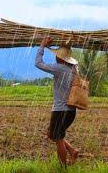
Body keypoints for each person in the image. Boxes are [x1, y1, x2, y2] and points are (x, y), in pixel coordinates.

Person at [35, 36, 79, 166]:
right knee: (51, 133)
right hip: (71, 111)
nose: (55, 57)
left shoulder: (59, 68)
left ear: (60, 58)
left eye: (57, 55)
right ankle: (72, 150)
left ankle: (63, 167)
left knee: (58, 138)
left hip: (60, 111)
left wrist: (42, 46)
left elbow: (38, 63)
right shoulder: (73, 69)